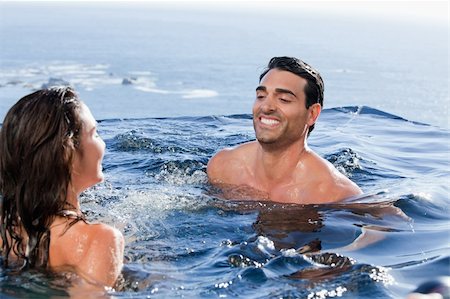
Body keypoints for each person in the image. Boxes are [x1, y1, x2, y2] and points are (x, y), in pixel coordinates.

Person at [0, 87, 124, 289]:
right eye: (95, 133)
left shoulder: (6, 228)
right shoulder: (100, 239)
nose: (103, 144)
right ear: (68, 154)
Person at [207, 56, 362, 204]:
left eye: (284, 100)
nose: (266, 107)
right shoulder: (223, 167)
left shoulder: (334, 194)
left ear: (312, 114)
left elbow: (379, 224)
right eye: (261, 96)